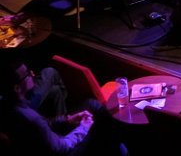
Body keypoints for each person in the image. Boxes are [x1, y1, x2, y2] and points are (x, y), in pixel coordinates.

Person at [0, 57, 128, 155]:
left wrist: (68, 119)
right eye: (28, 74)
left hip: (49, 139)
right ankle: (117, 146)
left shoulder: (10, 103)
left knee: (91, 104)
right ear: (17, 88)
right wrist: (84, 128)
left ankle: (117, 141)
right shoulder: (29, 118)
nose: (33, 75)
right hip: (64, 150)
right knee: (98, 127)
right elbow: (62, 147)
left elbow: (45, 123)